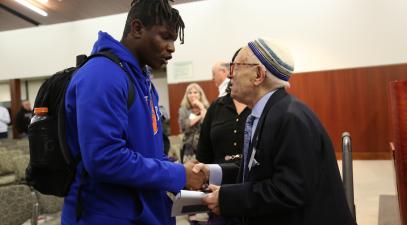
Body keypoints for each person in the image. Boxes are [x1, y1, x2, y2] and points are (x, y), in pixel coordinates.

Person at [62, 1, 205, 225]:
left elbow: (140, 150)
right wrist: (178, 174)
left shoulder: (141, 80)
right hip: (107, 215)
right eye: (165, 37)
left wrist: (172, 166)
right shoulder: (103, 75)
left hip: (144, 212)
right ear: (137, 29)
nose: (172, 47)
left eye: (173, 40)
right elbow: (105, 159)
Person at [195, 38, 357, 225]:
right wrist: (211, 172)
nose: (230, 76)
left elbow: (289, 189)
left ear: (258, 75)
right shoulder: (270, 112)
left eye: (236, 67)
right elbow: (257, 172)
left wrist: (228, 199)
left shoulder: (290, 118)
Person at [196, 53, 251, 225]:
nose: (231, 74)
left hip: (252, 191)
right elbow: (203, 152)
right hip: (220, 191)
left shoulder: (258, 107)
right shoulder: (217, 106)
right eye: (232, 69)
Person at [178, 83, 209, 163]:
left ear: (200, 94)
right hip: (188, 148)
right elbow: (185, 126)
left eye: (195, 92)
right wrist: (199, 117)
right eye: (190, 93)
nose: (192, 95)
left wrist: (201, 107)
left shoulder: (206, 108)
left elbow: (208, 123)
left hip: (204, 146)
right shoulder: (183, 109)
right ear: (187, 95)